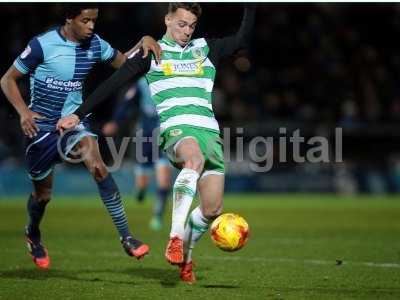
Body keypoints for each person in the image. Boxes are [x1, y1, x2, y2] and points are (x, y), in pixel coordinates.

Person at [57, 3, 255, 283]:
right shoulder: (153, 53)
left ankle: (186, 258)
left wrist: (251, 7)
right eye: (181, 24)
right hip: (177, 130)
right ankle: (174, 236)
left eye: (191, 26)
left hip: (210, 134)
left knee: (212, 209)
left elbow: (241, 40)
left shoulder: (205, 48)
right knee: (193, 159)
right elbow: (113, 83)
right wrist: (78, 114)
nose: (186, 31)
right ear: (167, 20)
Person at [0, 4, 162, 269]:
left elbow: (126, 64)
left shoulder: (96, 44)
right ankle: (33, 233)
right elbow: (7, 80)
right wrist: (23, 112)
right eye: (85, 20)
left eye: (94, 21)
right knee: (43, 196)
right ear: (69, 18)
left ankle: (127, 237)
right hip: (40, 130)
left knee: (98, 167)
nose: (91, 27)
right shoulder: (42, 45)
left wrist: (143, 41)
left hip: (75, 123)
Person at [102, 77, 172, 230]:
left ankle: (157, 217)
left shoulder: (172, 80)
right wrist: (115, 122)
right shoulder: (142, 83)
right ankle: (140, 190)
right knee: (142, 182)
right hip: (145, 135)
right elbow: (126, 103)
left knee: (164, 176)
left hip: (166, 132)